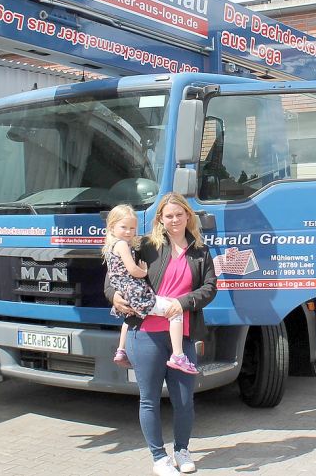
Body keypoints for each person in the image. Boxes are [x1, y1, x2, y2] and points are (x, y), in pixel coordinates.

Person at [105, 193, 217, 476]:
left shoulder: (200, 251)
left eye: (179, 214)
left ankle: (181, 449)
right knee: (149, 398)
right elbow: (114, 276)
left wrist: (183, 303)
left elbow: (210, 288)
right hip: (145, 333)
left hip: (184, 333)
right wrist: (115, 298)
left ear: (188, 216)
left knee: (183, 400)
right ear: (160, 220)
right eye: (169, 216)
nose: (175, 220)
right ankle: (159, 458)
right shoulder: (146, 246)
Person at [104, 204, 198, 375]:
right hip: (135, 292)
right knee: (175, 309)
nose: (128, 232)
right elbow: (132, 270)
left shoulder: (111, 247)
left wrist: (116, 294)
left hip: (126, 293)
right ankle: (178, 355)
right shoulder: (125, 246)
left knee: (128, 317)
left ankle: (121, 349)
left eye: (132, 228)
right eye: (124, 227)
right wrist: (143, 272)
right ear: (112, 227)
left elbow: (112, 275)